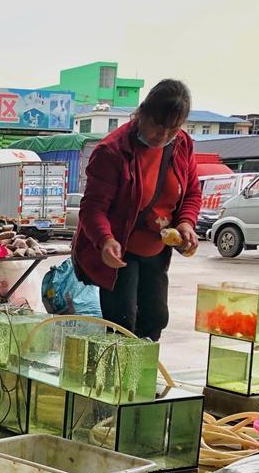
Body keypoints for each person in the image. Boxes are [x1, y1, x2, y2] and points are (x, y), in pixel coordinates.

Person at [73, 79, 201, 341]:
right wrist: (105, 240)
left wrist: (186, 223)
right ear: (142, 113)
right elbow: (92, 207)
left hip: (156, 250)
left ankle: (142, 377)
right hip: (122, 250)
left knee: (156, 317)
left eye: (173, 129)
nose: (163, 136)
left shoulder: (182, 145)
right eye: (157, 126)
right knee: (122, 322)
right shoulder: (112, 152)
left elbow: (191, 193)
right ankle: (115, 379)